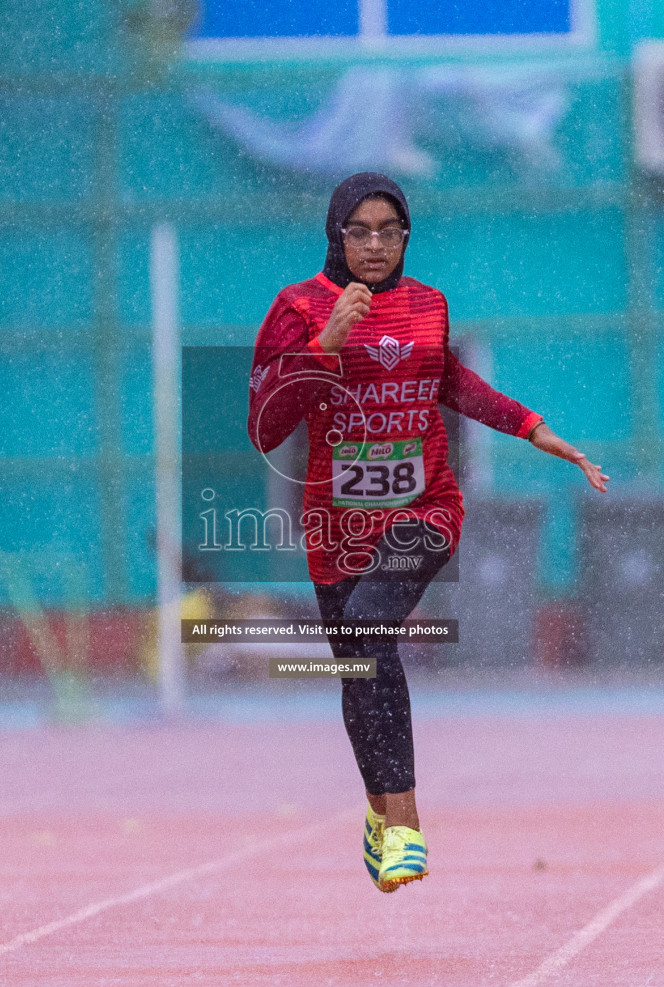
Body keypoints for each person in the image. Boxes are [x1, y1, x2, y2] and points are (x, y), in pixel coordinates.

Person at [248, 173, 608, 891]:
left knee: (369, 628)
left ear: (406, 237)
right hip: (336, 523)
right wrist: (328, 343)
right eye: (360, 231)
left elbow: (454, 383)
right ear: (336, 235)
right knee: (357, 661)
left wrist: (535, 430)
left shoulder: (428, 306)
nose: (375, 245)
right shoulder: (296, 308)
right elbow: (266, 423)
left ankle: (407, 824)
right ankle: (381, 817)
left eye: (390, 231)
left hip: (424, 510)